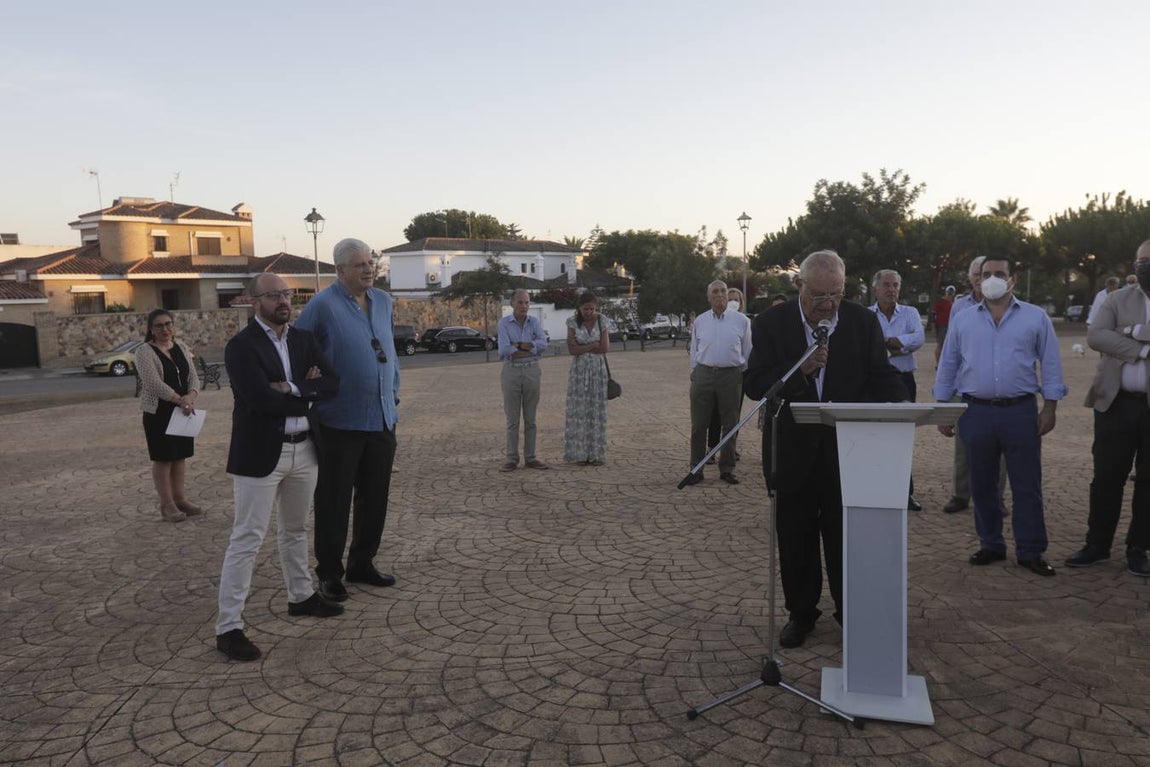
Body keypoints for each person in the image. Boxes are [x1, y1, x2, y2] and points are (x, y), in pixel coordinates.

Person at [745, 251, 906, 648]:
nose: (829, 304)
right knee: (796, 537)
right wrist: (800, 372)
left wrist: (904, 403)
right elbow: (755, 384)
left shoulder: (862, 321)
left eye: (836, 294)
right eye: (818, 295)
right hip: (792, 451)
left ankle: (849, 612)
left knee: (844, 536)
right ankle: (801, 614)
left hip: (848, 451)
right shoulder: (770, 325)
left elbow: (881, 376)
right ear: (798, 286)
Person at [214, 274, 343, 662]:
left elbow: (333, 382)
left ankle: (301, 597)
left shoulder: (303, 339)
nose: (283, 301)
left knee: (296, 530)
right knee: (247, 538)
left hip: (305, 450)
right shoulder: (241, 347)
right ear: (254, 301)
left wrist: (288, 387)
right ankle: (229, 626)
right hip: (260, 455)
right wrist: (306, 390)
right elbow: (258, 399)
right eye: (274, 295)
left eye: (287, 294)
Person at [934, 257, 1067, 577]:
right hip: (975, 411)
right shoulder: (963, 320)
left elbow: (1050, 364)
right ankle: (991, 543)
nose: (991, 279)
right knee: (982, 484)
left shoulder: (1035, 317)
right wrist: (943, 407)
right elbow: (948, 363)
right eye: (985, 274)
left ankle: (1031, 549)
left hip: (1020, 411)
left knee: (1027, 484)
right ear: (976, 279)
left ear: (1012, 278)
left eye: (999, 274)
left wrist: (1050, 406)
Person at [294, 238, 400, 602]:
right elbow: (297, 346)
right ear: (339, 270)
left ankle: (362, 563)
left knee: (375, 497)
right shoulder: (322, 306)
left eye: (369, 262)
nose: (368, 269)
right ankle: (329, 573)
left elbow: (389, 351)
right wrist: (308, 383)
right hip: (339, 419)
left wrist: (394, 390)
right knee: (334, 500)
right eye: (358, 264)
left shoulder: (384, 302)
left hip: (383, 416)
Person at [1065, 240, 1150, 575]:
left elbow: (1112, 337)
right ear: (1134, 264)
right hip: (1116, 403)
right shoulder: (1116, 299)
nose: (1146, 266)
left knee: (1149, 481)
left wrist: (1130, 331)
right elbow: (1096, 337)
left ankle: (1138, 547)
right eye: (1143, 260)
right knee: (1106, 477)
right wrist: (1142, 349)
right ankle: (1097, 545)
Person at [940, 256, 1006, 514]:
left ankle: (995, 498)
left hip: (995, 387)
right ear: (970, 277)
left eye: (988, 274)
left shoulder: (1008, 305)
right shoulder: (959, 306)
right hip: (963, 387)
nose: (982, 279)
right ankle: (960, 494)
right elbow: (951, 351)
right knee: (963, 444)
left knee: (998, 450)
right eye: (978, 274)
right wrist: (946, 398)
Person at [134, 308, 201, 523]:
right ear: (151, 329)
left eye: (168, 324)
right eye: (159, 325)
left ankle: (180, 498)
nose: (165, 329)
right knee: (163, 458)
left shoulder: (180, 346)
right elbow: (153, 383)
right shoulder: (144, 352)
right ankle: (167, 504)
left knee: (180, 456)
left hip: (183, 410)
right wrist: (179, 399)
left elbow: (193, 376)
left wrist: (191, 396)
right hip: (159, 412)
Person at [870, 269, 926, 511]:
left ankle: (905, 492)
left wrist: (892, 342)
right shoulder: (866, 315)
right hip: (874, 381)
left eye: (895, 285)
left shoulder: (911, 313)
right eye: (886, 285)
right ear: (875, 289)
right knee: (874, 435)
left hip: (903, 381)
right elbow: (868, 347)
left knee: (902, 436)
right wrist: (900, 343)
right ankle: (876, 488)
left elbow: (919, 338)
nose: (891, 289)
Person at [686, 280, 752, 486]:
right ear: (709, 297)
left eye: (723, 291)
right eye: (715, 292)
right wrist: (695, 371)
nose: (720, 295)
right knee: (699, 425)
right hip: (703, 374)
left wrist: (740, 371)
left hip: (730, 375)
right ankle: (696, 468)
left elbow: (747, 350)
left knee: (730, 424)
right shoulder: (701, 321)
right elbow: (695, 348)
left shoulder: (741, 321)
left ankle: (727, 468)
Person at [497, 288, 550, 471]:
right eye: (520, 302)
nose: (524, 306)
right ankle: (512, 458)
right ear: (512, 303)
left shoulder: (534, 322)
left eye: (527, 302)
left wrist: (517, 346)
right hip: (511, 373)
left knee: (531, 418)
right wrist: (529, 347)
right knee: (512, 419)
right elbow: (503, 350)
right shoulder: (504, 324)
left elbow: (543, 344)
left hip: (531, 372)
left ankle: (531, 457)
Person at [562, 291, 609, 465]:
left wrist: (583, 345)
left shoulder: (602, 320)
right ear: (579, 308)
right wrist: (592, 345)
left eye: (591, 308)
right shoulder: (572, 322)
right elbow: (572, 350)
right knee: (578, 412)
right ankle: (579, 454)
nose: (588, 312)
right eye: (585, 309)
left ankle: (596, 454)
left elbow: (604, 347)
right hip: (579, 373)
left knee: (596, 411)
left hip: (597, 371)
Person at [706, 287, 747, 461]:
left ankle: (730, 448)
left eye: (736, 300)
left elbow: (748, 349)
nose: (733, 302)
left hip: (737, 374)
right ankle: (712, 447)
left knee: (733, 415)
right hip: (716, 374)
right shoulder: (709, 320)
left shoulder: (743, 321)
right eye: (730, 298)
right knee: (715, 413)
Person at [932, 285, 956, 365]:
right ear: (946, 293)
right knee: (940, 345)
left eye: (951, 293)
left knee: (949, 345)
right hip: (942, 326)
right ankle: (938, 364)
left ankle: (946, 362)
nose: (950, 295)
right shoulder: (940, 302)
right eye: (949, 293)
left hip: (950, 326)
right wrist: (933, 328)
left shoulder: (953, 303)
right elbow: (933, 315)